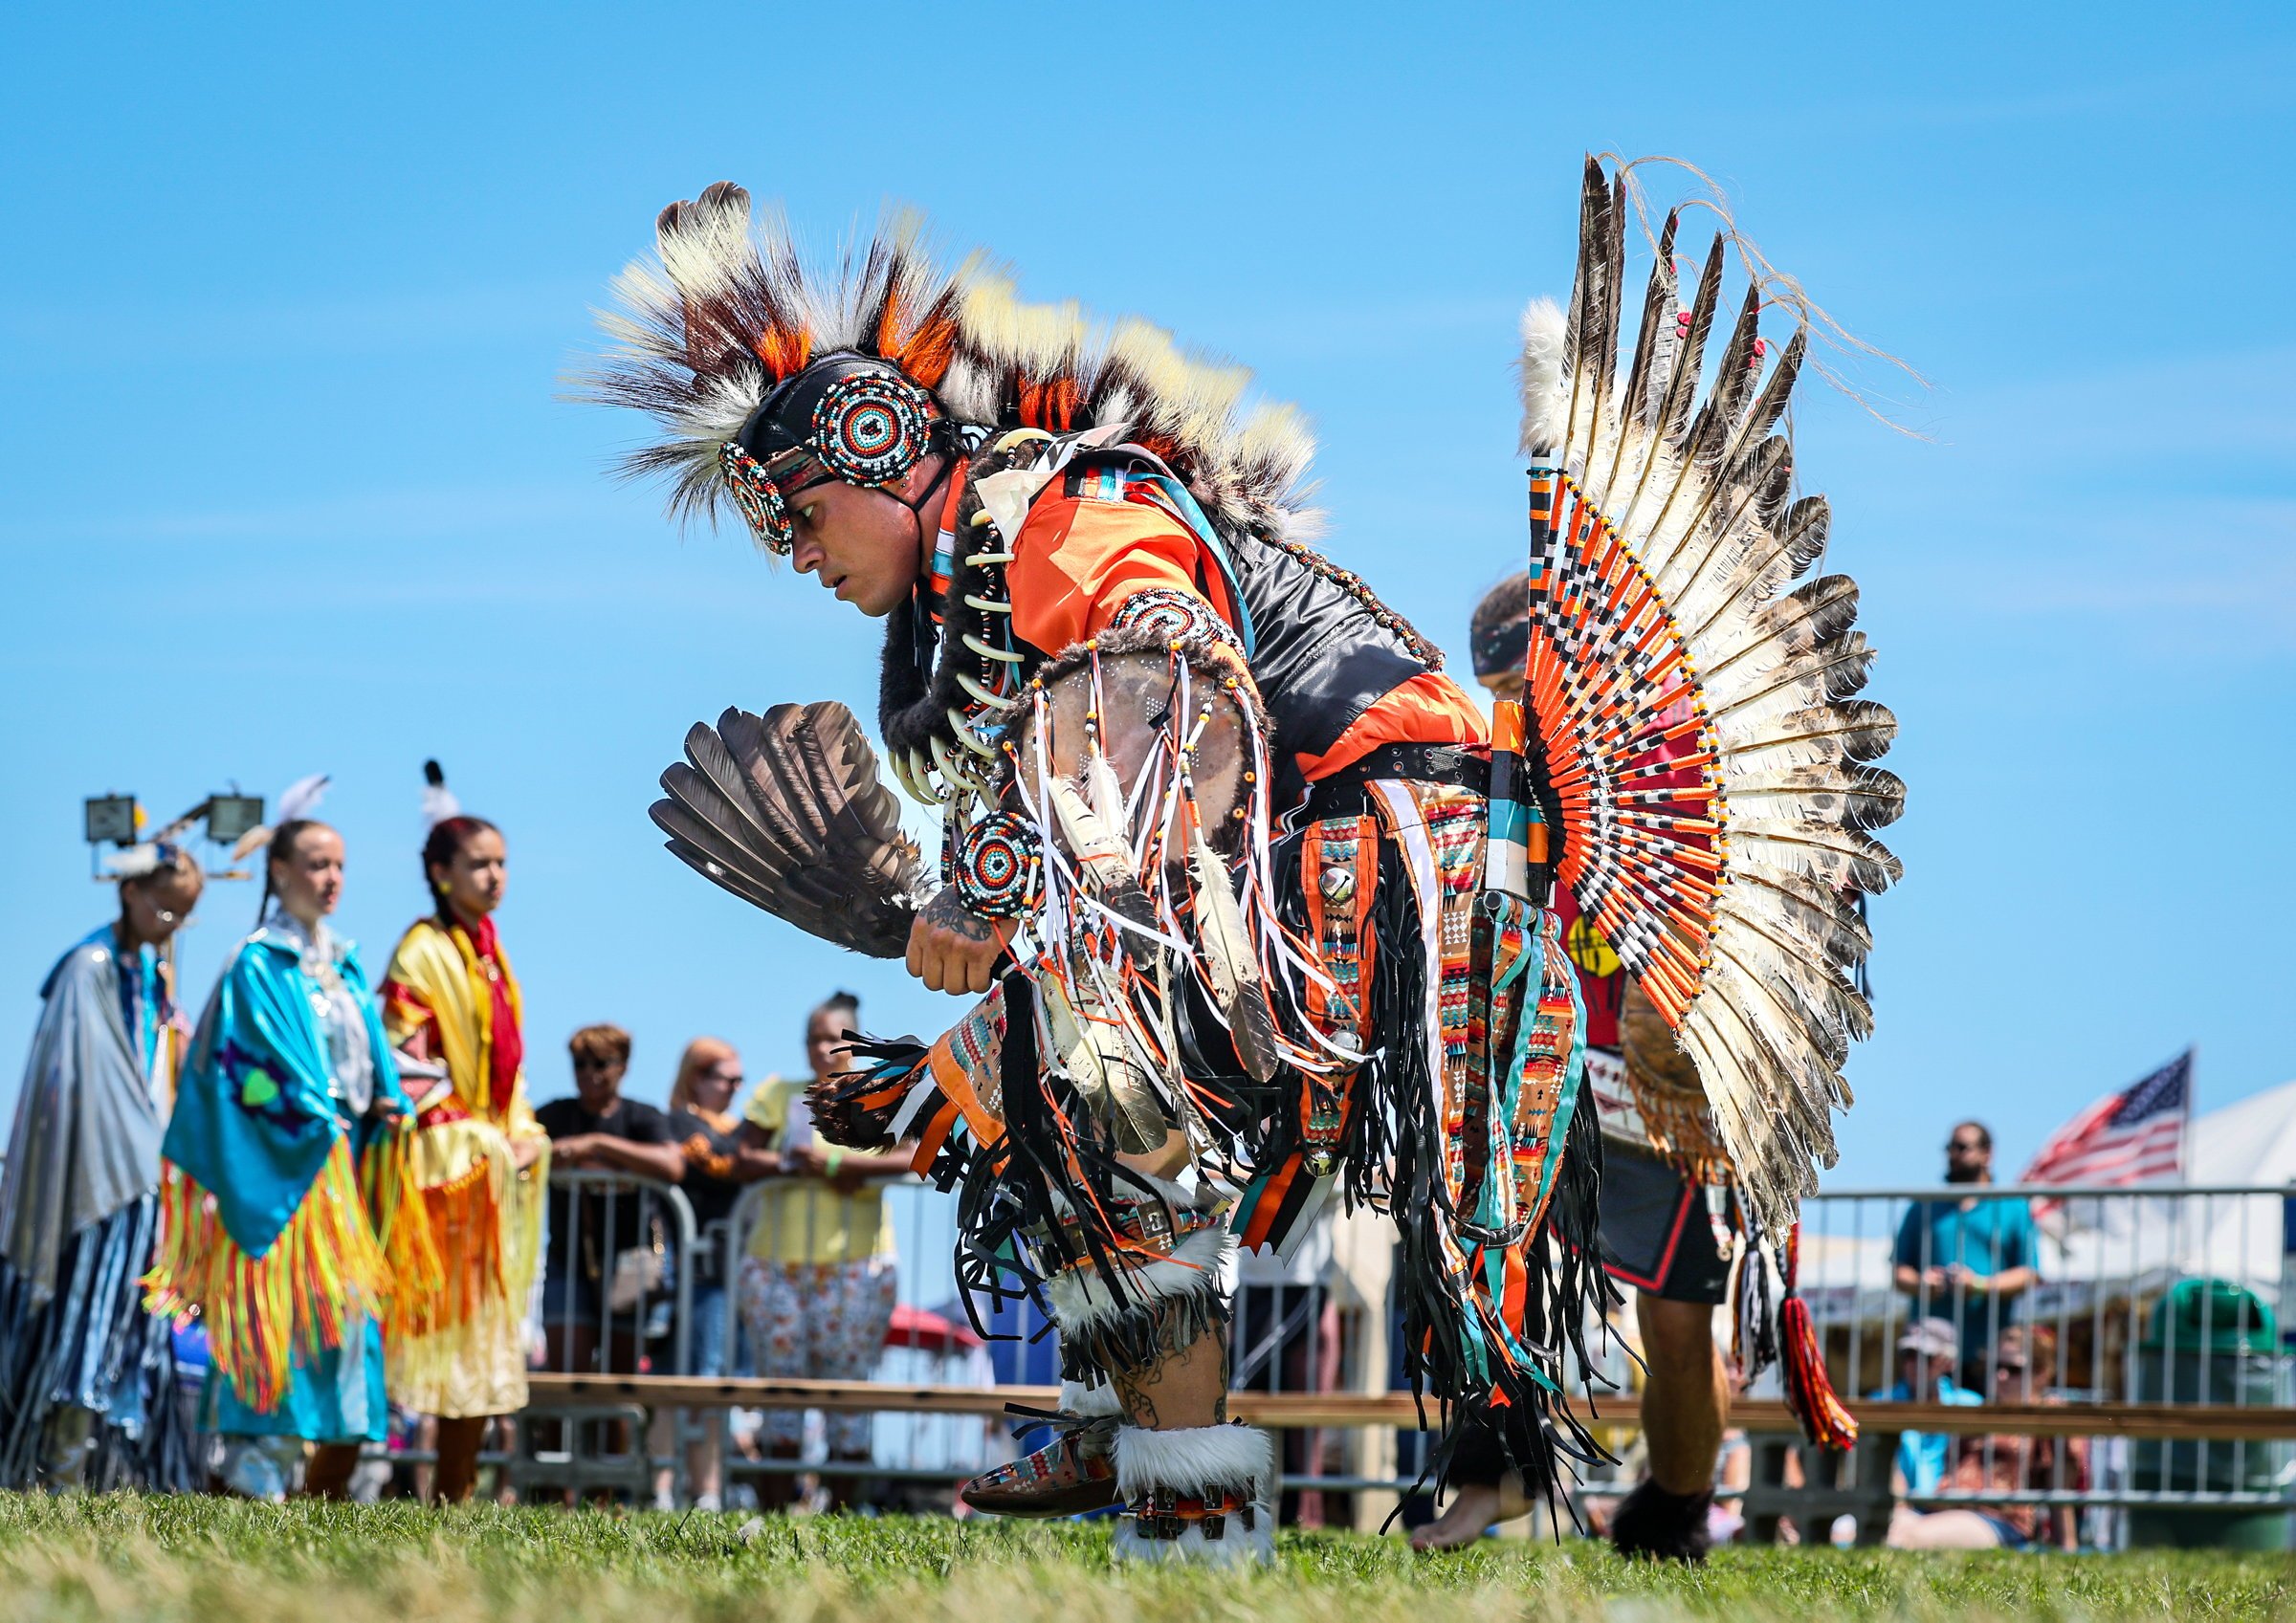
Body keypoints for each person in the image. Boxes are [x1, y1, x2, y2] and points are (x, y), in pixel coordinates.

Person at [593, 157, 1897, 1561]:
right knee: (1071, 1068)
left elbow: (1167, 665)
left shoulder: (1060, 513)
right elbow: (1107, 798)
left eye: (796, 513)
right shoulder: (995, 554)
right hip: (1351, 851)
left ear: (876, 454)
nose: (794, 556)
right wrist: (940, 901)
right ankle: (1159, 1440)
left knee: (1076, 1055)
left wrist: (981, 889)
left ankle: (1205, 1467)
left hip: (1408, 843)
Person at [1414, 575, 1745, 1559]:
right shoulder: (1507, 763)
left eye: (1526, 682)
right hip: (1546, 1053)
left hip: (1663, 1077)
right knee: (1479, 1258)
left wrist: (1690, 1007)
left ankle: (1675, 1509)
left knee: (1679, 1325)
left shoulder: (1685, 747)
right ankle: (1490, 1473)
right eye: (1499, 688)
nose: (1514, 706)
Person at [146, 820, 411, 1500]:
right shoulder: (257, 966)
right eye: (317, 864)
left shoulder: (345, 963)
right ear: (281, 872)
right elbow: (240, 1073)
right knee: (280, 1323)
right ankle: (252, 1479)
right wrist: (311, 1114)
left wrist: (382, 1101)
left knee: (342, 1328)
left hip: (341, 1179)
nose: (331, 879)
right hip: (283, 1182)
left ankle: (324, 1486)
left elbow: (363, 1062)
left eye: (340, 865)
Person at [0, 843, 205, 1490]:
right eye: (164, 908)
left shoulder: (146, 976)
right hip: (90, 1187)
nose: (170, 924)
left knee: (124, 1336)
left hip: (139, 1188)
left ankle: (102, 1477)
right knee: (75, 1328)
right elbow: (67, 1079)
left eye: (183, 915)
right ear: (130, 893)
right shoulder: (88, 967)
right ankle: (50, 1476)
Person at [379, 812, 552, 1502]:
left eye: (502, 862)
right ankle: (328, 1485)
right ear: (440, 873)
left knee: (480, 1339)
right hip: (439, 1176)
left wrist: (523, 1131)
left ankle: (455, 1493)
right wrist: (481, 1136)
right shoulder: (420, 951)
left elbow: (507, 1076)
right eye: (479, 863)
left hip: (486, 1174)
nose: (494, 875)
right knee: (411, 1338)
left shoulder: (491, 950)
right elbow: (404, 1069)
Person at [735, 995, 910, 1511]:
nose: (821, 1047)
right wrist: (786, 1166)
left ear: (853, 1042)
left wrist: (835, 1169)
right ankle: (772, 1509)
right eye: (812, 1037)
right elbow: (740, 1157)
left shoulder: (880, 1093)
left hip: (857, 1263)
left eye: (832, 1037)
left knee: (848, 1390)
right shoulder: (778, 1093)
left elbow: (909, 1157)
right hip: (774, 1263)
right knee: (781, 1392)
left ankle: (843, 1512)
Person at [534, 1024, 685, 1377]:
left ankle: (620, 1435)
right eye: (580, 1064)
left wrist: (596, 1145)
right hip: (566, 1261)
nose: (589, 1073)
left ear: (623, 1066)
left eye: (600, 1063)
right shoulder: (556, 1115)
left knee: (620, 1383)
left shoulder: (641, 1116)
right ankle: (562, 1435)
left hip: (629, 1262)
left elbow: (672, 1164)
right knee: (567, 1378)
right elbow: (523, 1148)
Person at [660, 1035, 771, 1508]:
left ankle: (698, 1484)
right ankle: (683, 1486)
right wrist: (762, 1154)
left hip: (731, 1273)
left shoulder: (738, 1129)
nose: (734, 1088)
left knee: (716, 1381)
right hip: (692, 1273)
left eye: (739, 1080)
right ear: (696, 1078)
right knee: (689, 1379)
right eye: (725, 1078)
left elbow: (740, 1160)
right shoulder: (678, 1122)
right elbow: (723, 1163)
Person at [1888, 1325, 2084, 1550]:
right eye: (1996, 1366)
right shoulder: (1977, 1410)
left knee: (1905, 1538)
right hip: (1940, 1509)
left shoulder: (2046, 1417)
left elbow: (2060, 1492)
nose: (2001, 1375)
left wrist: (2068, 1548)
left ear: (2040, 1374)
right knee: (1883, 1529)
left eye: (2013, 1369)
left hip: (1997, 1519)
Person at [1893, 1121, 2038, 1388]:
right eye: (1949, 1148)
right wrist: (1922, 1283)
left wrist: (1980, 1285)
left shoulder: (2013, 1208)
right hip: (1929, 1354)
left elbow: (2028, 1274)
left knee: (1983, 1429)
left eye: (1961, 1147)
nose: (1952, 1155)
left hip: (1990, 1355)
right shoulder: (1922, 1208)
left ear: (1987, 1154)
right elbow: (1899, 1273)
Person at [1868, 1317, 1984, 1510]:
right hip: (1891, 1507)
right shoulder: (1879, 1403)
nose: (1914, 1364)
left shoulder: (1971, 1405)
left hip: (1954, 1509)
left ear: (1950, 1362)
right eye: (1908, 1355)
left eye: (1926, 1357)